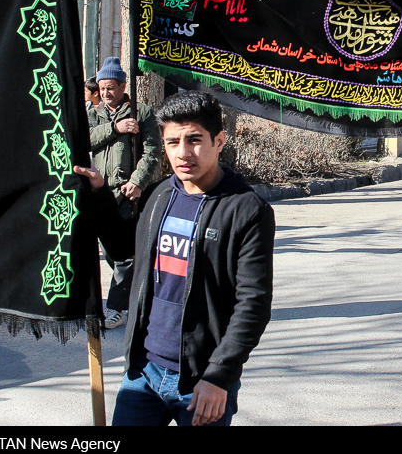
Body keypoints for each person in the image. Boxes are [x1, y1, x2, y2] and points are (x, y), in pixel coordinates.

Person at [73, 91, 274, 426]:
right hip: (143, 372)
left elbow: (253, 304)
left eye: (194, 140)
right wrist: (98, 193)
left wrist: (220, 376)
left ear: (219, 141)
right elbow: (125, 250)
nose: (183, 153)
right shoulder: (159, 195)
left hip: (202, 380)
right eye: (172, 142)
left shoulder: (246, 210)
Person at [88, 57, 163, 329]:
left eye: (111, 87)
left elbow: (153, 151)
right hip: (97, 193)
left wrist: (138, 182)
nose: (106, 93)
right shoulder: (92, 114)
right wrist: (114, 128)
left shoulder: (140, 112)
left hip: (126, 194)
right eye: (102, 88)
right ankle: (137, 294)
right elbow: (81, 140)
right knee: (110, 252)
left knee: (125, 255)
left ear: (122, 86)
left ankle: (116, 307)